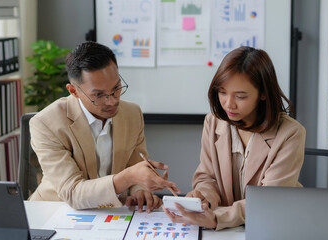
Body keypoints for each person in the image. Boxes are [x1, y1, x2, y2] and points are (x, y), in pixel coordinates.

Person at [163, 46, 306, 230]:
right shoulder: (212, 122)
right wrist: (203, 198)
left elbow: (269, 200)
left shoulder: (291, 133)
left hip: (272, 226)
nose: (228, 104)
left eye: (240, 96)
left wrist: (217, 219)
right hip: (228, 230)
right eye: (222, 92)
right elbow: (207, 177)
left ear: (263, 93)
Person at [29, 41, 180, 212]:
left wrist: (139, 190)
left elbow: (136, 164)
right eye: (98, 95)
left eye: (116, 88)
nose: (112, 100)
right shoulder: (45, 123)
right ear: (73, 91)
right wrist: (129, 177)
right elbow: (72, 193)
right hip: (56, 211)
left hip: (111, 213)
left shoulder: (132, 113)